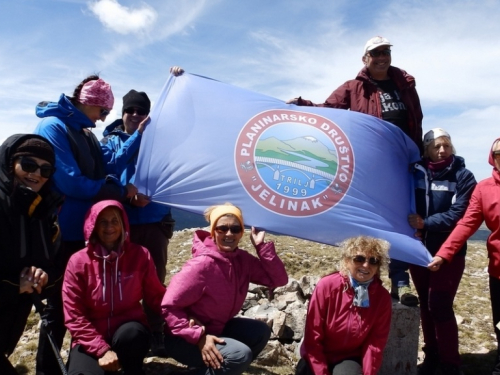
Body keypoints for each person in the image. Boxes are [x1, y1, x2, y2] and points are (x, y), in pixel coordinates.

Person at [288, 36, 423, 305]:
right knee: (369, 221)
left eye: (386, 51)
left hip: (402, 165)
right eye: (376, 53)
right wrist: (302, 104)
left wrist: (418, 153)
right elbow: (329, 110)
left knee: (401, 221)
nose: (382, 56)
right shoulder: (354, 87)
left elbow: (416, 120)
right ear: (365, 59)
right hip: (371, 166)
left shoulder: (405, 85)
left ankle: (400, 281)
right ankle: (366, 279)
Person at [34, 75, 138, 374]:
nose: (105, 117)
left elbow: (111, 163)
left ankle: (79, 360)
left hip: (82, 232)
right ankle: (47, 370)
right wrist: (114, 189)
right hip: (60, 233)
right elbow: (69, 182)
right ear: (89, 103)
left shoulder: (84, 131)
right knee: (56, 307)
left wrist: (139, 134)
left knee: (78, 303)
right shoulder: (53, 127)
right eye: (103, 111)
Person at [100, 67, 184, 353]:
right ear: (123, 113)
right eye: (130, 110)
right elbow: (110, 173)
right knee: (119, 279)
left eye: (141, 111)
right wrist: (128, 197)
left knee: (154, 280)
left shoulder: (163, 140)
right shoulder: (110, 142)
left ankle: (156, 332)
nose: (135, 115)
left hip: (155, 220)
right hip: (120, 223)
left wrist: (179, 82)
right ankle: (124, 333)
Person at [161, 203, 288, 374]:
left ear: (242, 232)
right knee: (241, 355)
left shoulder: (242, 260)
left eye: (235, 229)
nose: (229, 234)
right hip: (183, 339)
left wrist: (261, 247)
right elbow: (169, 306)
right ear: (213, 231)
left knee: (260, 332)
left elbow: (278, 280)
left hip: (217, 328)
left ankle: (217, 368)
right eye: (222, 228)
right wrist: (199, 337)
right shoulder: (201, 265)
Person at [62, 200, 165, 375]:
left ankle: (132, 369)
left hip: (128, 332)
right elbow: (74, 315)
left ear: (123, 224)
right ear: (93, 225)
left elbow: (156, 296)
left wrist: (184, 317)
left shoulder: (139, 255)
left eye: (115, 221)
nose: (109, 227)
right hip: (90, 337)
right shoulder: (78, 261)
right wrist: (102, 350)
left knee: (133, 334)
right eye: (103, 221)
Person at [429, 136, 500, 374]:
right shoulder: (484, 189)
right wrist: (444, 254)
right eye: (499, 154)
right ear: (493, 159)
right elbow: (467, 224)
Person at [408, 128, 476, 375]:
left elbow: (460, 213)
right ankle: (432, 355)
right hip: (418, 250)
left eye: (446, 145)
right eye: (436, 146)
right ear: (426, 149)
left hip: (449, 252)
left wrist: (426, 223)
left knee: (440, 304)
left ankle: (450, 363)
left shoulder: (463, 176)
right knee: (426, 305)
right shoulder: (414, 172)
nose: (442, 150)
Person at [0, 134, 63, 375]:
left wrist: (43, 279)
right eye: (28, 164)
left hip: (10, 322)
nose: (36, 174)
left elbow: (55, 266)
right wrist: (15, 285)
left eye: (45, 169)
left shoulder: (44, 211)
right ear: (9, 163)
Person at [296, 236, 392, 375]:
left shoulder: (381, 297)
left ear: (378, 267)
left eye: (373, 261)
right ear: (347, 261)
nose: (366, 265)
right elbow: (313, 335)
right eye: (359, 259)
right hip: (317, 353)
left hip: (348, 358)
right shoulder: (327, 286)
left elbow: (375, 343)